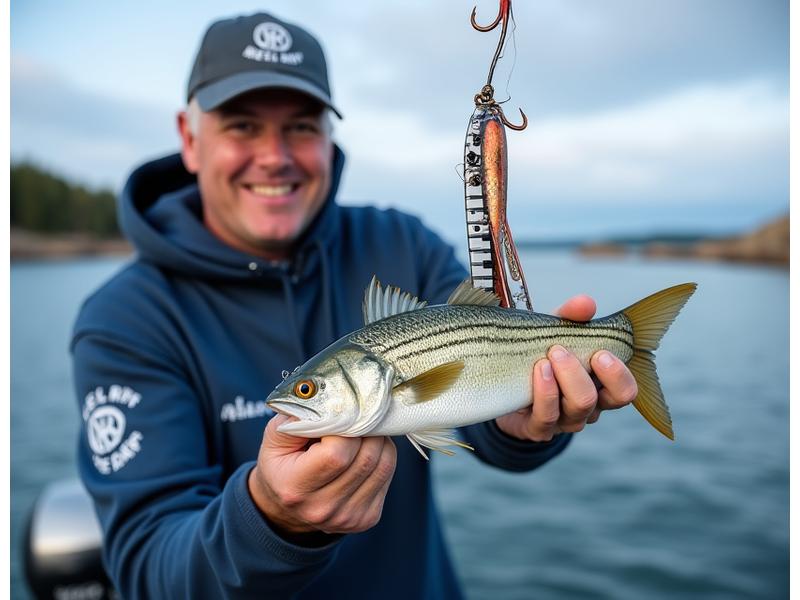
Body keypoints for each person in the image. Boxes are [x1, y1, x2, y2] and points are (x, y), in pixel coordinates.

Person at [71, 12, 638, 599]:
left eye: (300, 127)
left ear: (329, 136)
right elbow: (149, 570)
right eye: (242, 126)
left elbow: (482, 408)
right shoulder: (124, 321)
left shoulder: (403, 244)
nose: (274, 156)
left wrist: (522, 423)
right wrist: (270, 521)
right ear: (190, 139)